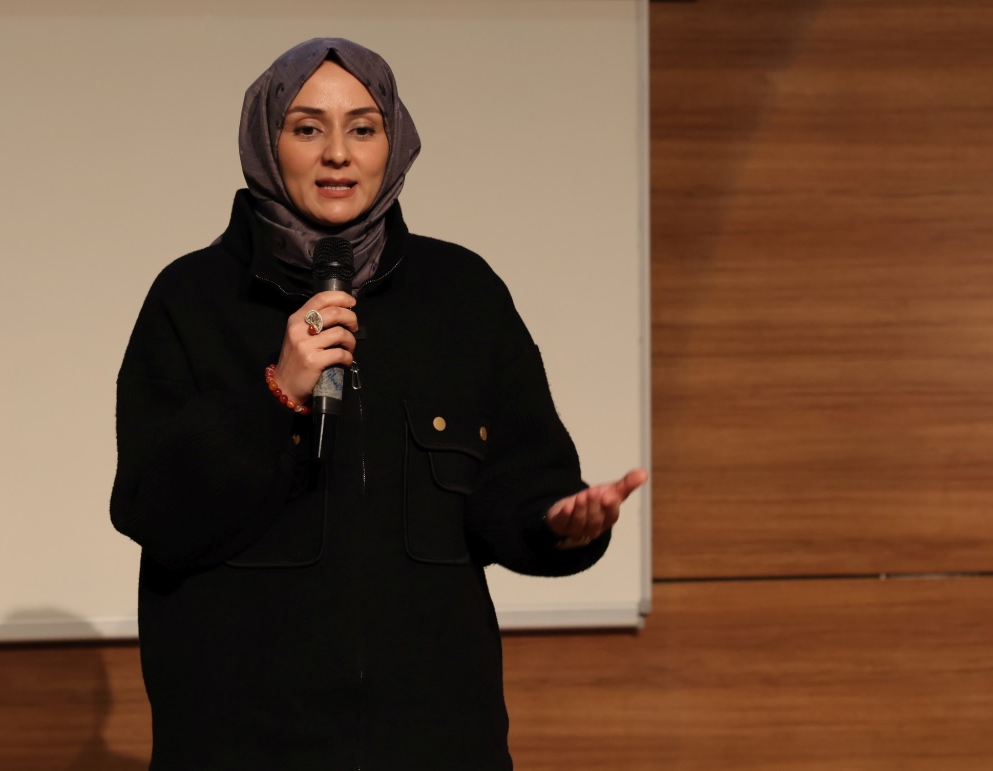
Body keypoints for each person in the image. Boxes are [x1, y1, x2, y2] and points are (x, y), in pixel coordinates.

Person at [111, 37, 647, 771]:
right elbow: (154, 510)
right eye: (308, 128)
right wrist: (276, 393)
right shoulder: (192, 299)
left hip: (435, 741)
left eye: (362, 128)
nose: (338, 154)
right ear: (266, 143)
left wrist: (558, 522)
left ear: (393, 145)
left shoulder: (462, 294)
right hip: (244, 742)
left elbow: (516, 483)